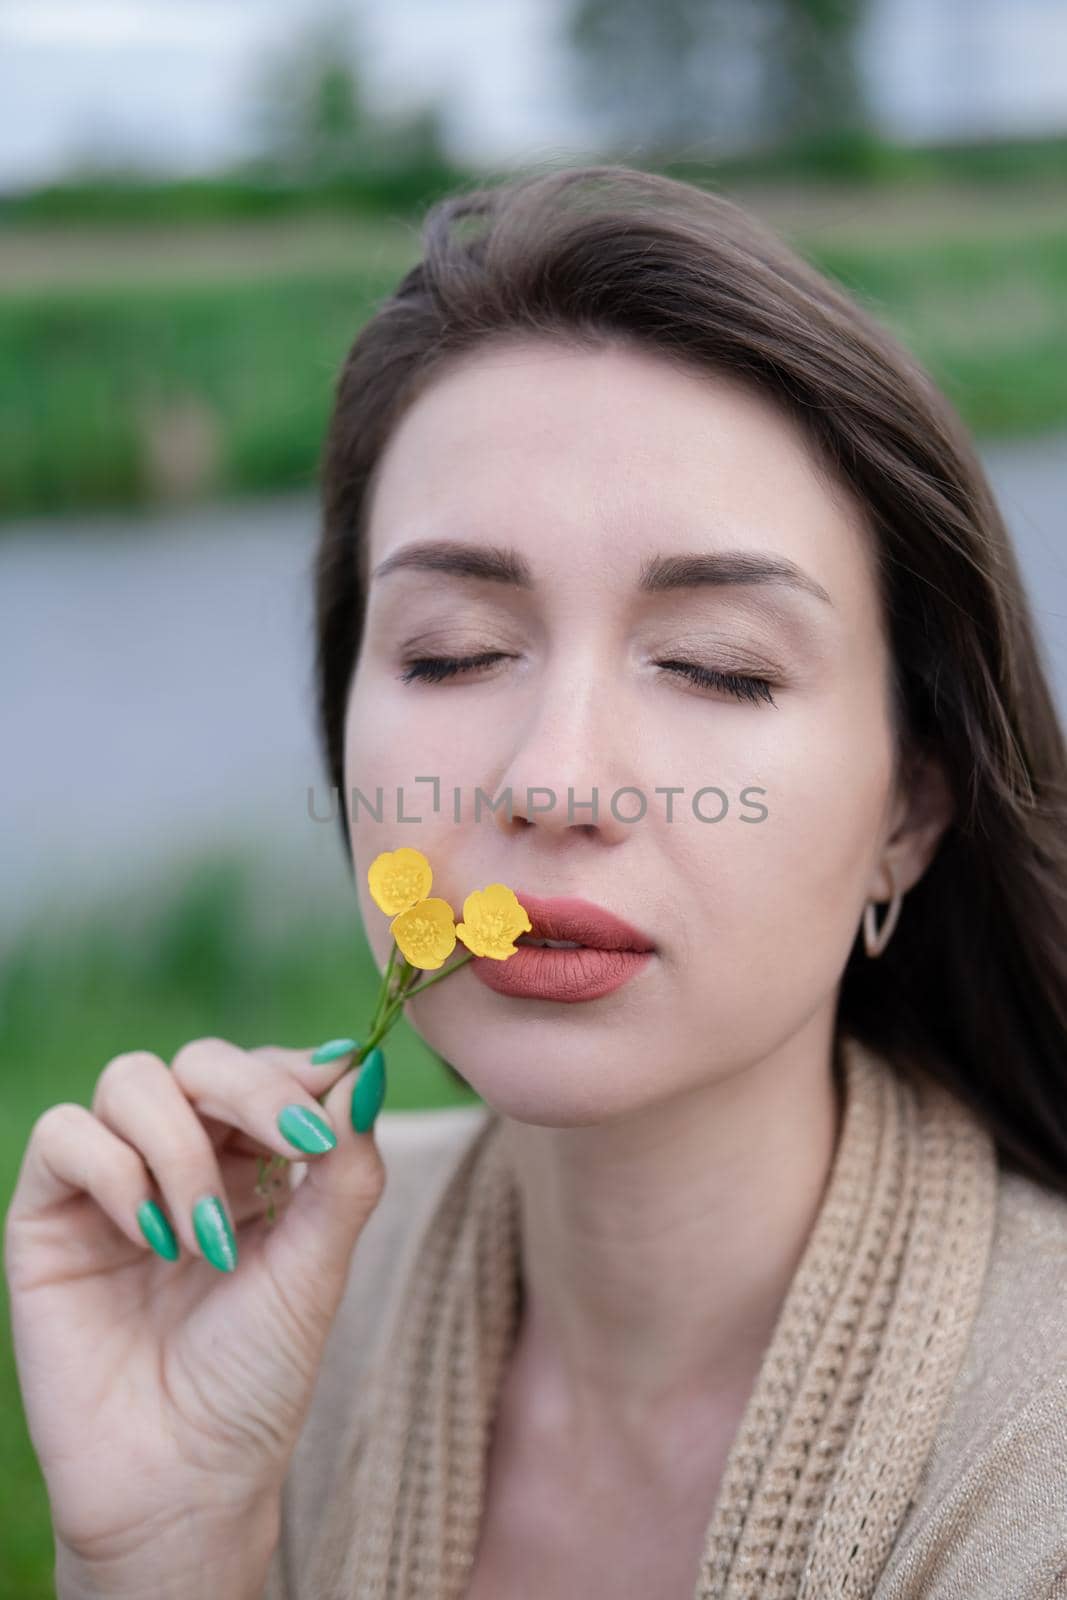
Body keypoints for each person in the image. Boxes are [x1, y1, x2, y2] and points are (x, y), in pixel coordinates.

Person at [6, 164, 1067, 1600]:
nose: (554, 782)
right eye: (450, 652)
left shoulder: (1033, 1471)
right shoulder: (271, 1310)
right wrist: (166, 1552)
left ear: (912, 807)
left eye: (718, 667)